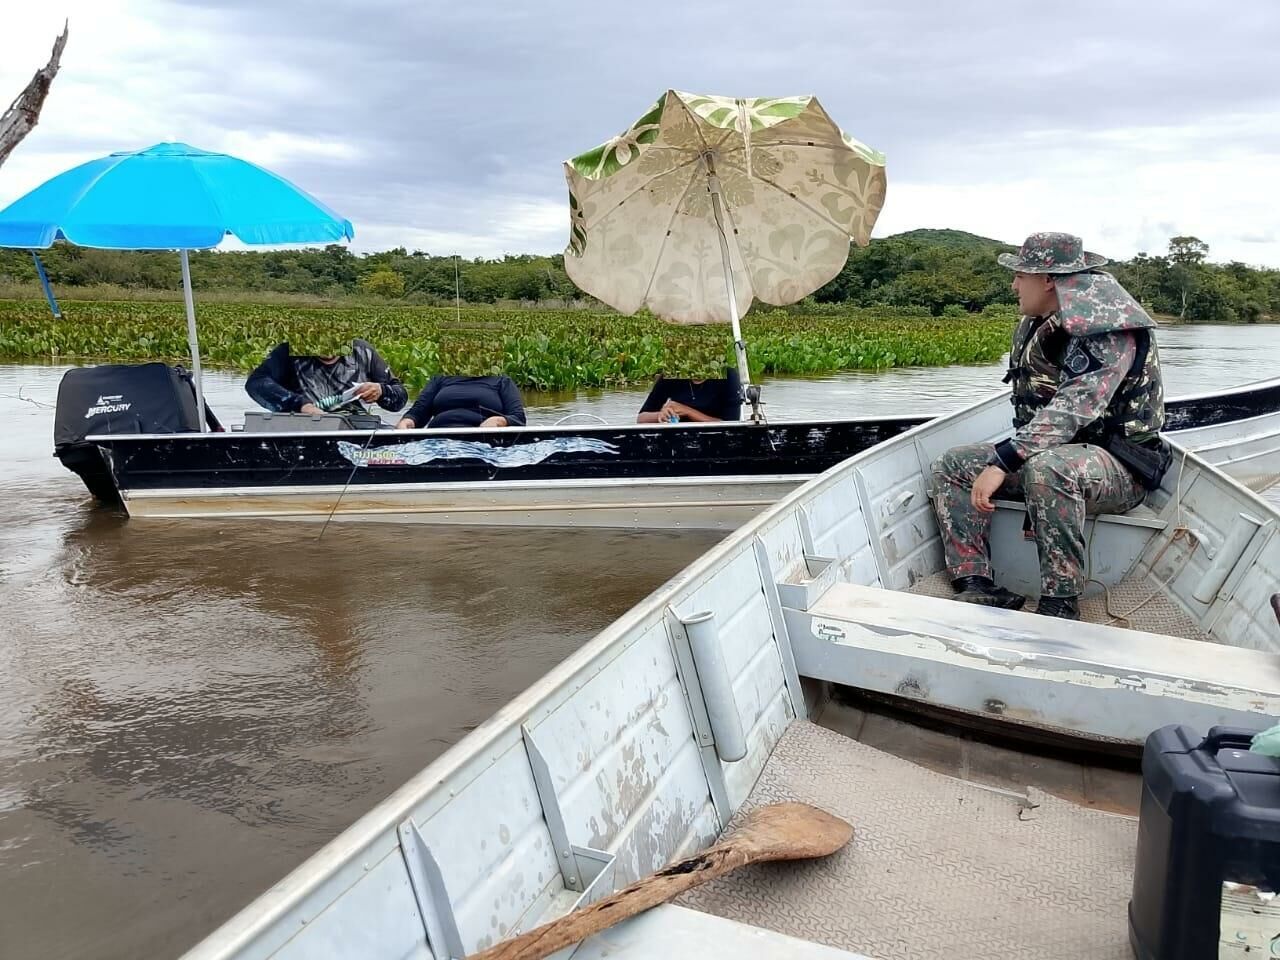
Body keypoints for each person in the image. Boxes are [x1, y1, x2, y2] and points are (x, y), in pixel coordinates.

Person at [928, 232, 1168, 621]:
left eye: (1020, 275)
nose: (1013, 285)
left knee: (1049, 470)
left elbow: (1075, 409)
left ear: (1049, 279)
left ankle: (1060, 603)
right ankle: (975, 583)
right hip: (1056, 452)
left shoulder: (1107, 329)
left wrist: (1004, 461)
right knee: (953, 465)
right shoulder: (1044, 320)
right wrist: (1005, 459)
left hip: (1120, 465)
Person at [245, 338, 408, 417]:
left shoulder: (362, 351)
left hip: (353, 428)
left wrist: (382, 391)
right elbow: (255, 383)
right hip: (303, 427)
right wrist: (301, 405)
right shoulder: (289, 352)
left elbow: (399, 399)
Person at [395, 374, 526, 429]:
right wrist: (407, 422)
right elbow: (418, 412)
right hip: (438, 439)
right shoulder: (440, 379)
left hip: (484, 439)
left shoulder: (502, 381)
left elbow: (519, 418)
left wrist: (500, 421)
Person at [636, 368, 741, 424]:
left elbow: (732, 424)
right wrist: (660, 415)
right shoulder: (671, 374)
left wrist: (687, 411)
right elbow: (641, 418)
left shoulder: (729, 375)